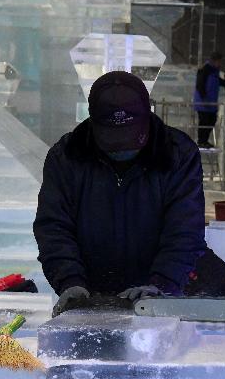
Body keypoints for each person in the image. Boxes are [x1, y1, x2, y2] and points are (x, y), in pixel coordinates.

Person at [34, 71, 207, 316]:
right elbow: (53, 227)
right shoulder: (67, 157)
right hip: (87, 297)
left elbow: (185, 230)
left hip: (158, 297)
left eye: (131, 139)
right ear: (93, 123)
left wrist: (161, 285)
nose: (121, 149)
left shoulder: (178, 154)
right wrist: (69, 280)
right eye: (111, 141)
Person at [193, 51, 225, 148]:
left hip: (211, 103)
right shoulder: (205, 69)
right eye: (219, 61)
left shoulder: (214, 71)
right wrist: (203, 98)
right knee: (204, 122)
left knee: (212, 120)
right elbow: (200, 84)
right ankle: (201, 141)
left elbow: (218, 81)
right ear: (215, 60)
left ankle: (204, 141)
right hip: (204, 103)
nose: (220, 64)